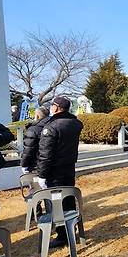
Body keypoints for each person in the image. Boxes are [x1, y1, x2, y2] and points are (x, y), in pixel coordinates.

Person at [36, 96, 84, 248]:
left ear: (56, 108)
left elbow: (45, 154)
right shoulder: (75, 124)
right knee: (68, 198)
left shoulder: (51, 127)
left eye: (52, 106)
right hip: (68, 167)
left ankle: (63, 234)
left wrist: (42, 175)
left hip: (54, 171)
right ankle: (71, 227)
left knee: (55, 203)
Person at [20, 106, 51, 173]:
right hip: (53, 162)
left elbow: (28, 149)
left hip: (37, 164)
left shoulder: (33, 130)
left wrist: (24, 164)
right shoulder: (54, 126)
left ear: (37, 116)